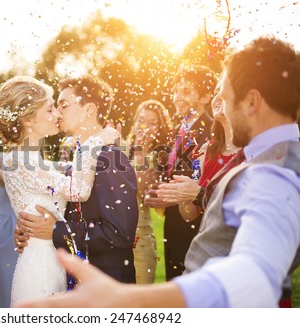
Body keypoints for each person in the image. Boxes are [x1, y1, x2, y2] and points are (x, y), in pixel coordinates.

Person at [18, 36, 300, 308]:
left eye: (225, 97)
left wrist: (136, 300)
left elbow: (254, 274)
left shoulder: (273, 173)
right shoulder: (265, 159)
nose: (219, 109)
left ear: (252, 101)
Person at [0, 75, 118, 306]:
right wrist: (94, 142)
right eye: (49, 110)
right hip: (40, 271)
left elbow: (67, 173)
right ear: (29, 119)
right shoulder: (21, 161)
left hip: (50, 261)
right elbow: (78, 190)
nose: (57, 115)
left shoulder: (32, 160)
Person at [15, 76, 139, 285]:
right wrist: (33, 229)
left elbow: (119, 233)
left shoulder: (111, 158)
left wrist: (56, 231)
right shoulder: (82, 159)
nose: (57, 112)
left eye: (63, 105)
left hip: (106, 287)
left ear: (89, 109)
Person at [145, 65, 216, 280]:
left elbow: (209, 185)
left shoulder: (212, 132)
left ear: (205, 97)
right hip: (173, 226)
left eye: (186, 91)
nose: (177, 97)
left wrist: (171, 199)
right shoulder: (178, 129)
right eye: (176, 91)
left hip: (196, 231)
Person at [156, 76, 241, 222]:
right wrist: (183, 195)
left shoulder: (253, 152)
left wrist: (198, 194)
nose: (219, 96)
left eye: (225, 91)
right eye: (217, 91)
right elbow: (189, 214)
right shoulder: (205, 150)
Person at [125, 99, 172, 283]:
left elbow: (146, 194)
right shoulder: (120, 150)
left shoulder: (159, 157)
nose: (145, 126)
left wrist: (141, 153)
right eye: (142, 120)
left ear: (160, 128)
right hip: (116, 240)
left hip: (141, 240)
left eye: (153, 123)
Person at [0, 153, 18, 308]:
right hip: (8, 233)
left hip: (37, 233)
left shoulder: (38, 159)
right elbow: (6, 179)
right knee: (7, 297)